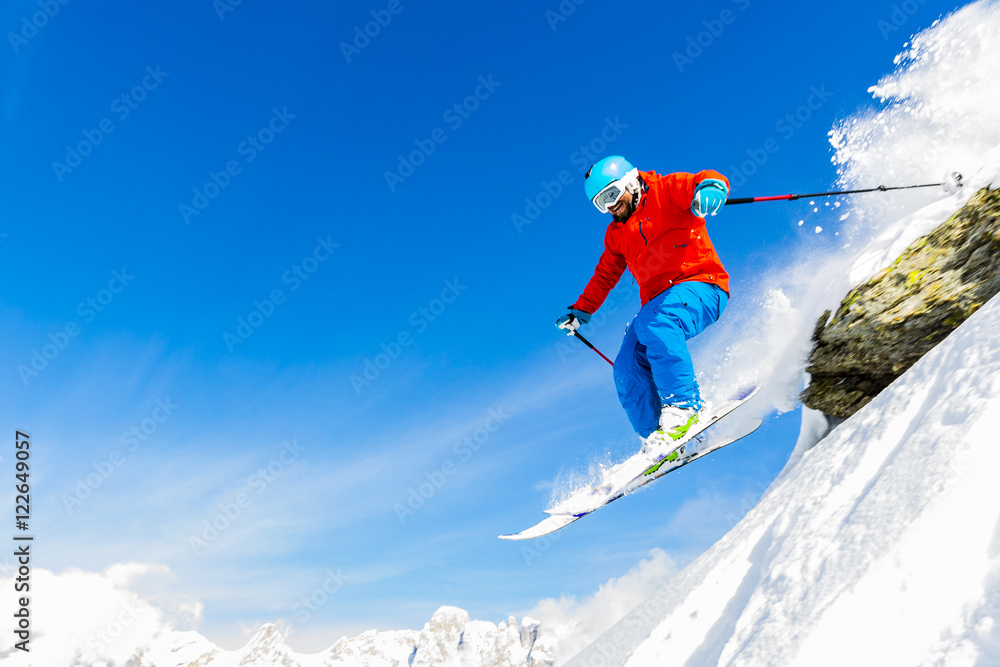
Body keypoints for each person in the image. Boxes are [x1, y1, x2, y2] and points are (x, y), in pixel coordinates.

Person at [556, 155, 731, 454]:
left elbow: (703, 179)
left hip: (703, 285)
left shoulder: (665, 190)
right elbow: (605, 274)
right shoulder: (617, 234)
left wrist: (711, 188)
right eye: (601, 203)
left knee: (655, 321)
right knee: (625, 367)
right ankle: (659, 439)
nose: (610, 206)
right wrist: (580, 311)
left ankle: (684, 410)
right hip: (657, 306)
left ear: (630, 181)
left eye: (611, 195)